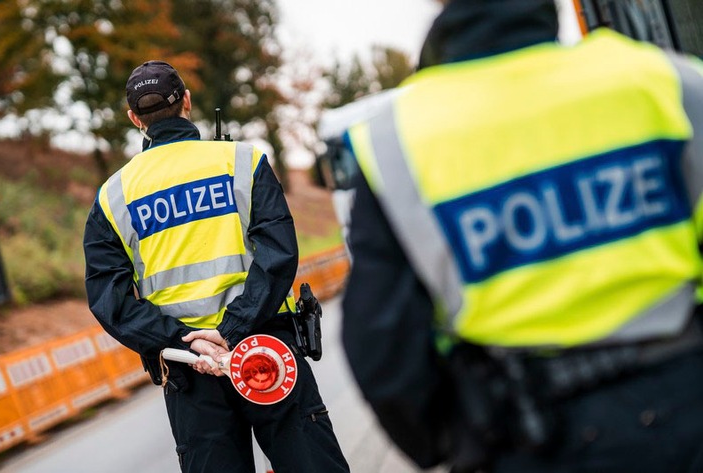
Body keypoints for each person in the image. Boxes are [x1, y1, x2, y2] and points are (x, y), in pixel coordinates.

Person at [340, 1, 703, 472]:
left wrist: (455, 442)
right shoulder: (666, 81)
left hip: (527, 436)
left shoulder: (394, 139)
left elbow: (383, 347)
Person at [83, 60, 350, 473]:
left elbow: (110, 301)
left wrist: (185, 340)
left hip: (189, 369)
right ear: (187, 102)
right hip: (266, 351)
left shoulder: (111, 197)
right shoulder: (243, 161)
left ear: (135, 119)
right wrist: (234, 329)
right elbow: (278, 253)